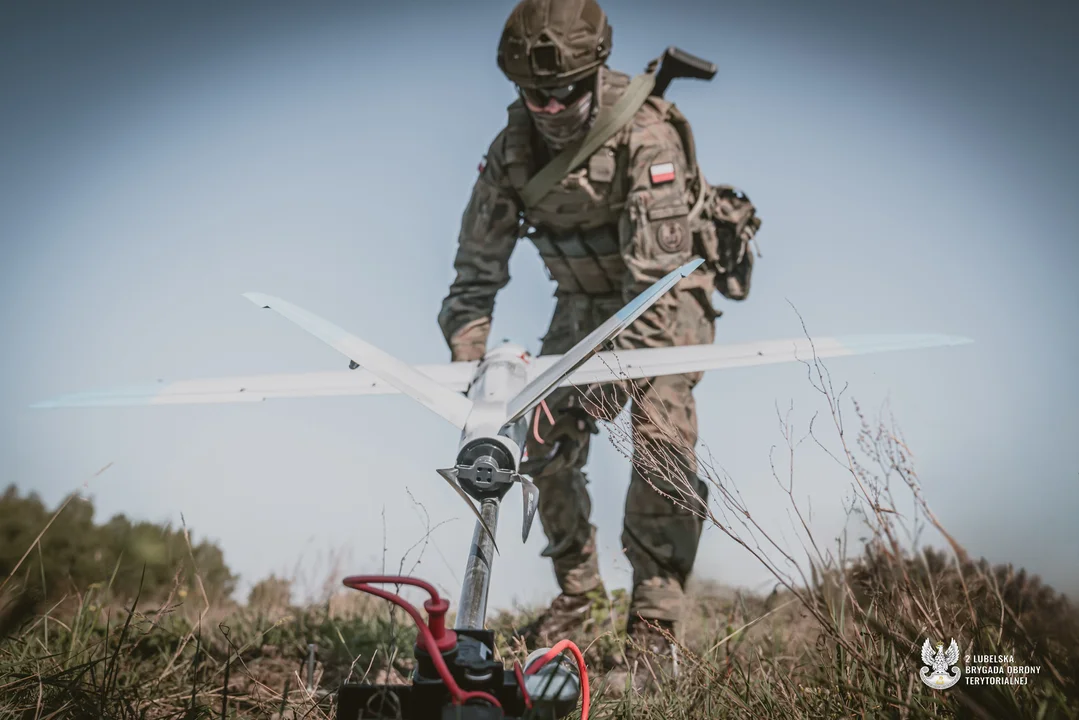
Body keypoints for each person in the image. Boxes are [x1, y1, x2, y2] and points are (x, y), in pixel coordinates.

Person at [437, 0, 761, 690]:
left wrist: (590, 396)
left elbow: (654, 294)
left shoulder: (647, 139)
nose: (550, 108)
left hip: (665, 307)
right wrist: (477, 383)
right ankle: (578, 596)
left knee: (659, 443)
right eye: (534, 95)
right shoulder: (511, 152)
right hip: (581, 308)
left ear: (593, 76)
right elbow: (472, 279)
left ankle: (652, 626)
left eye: (564, 94)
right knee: (531, 437)